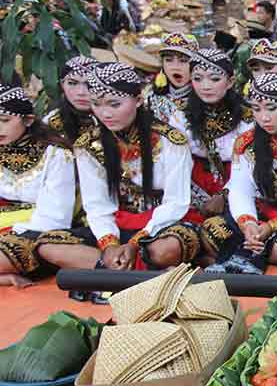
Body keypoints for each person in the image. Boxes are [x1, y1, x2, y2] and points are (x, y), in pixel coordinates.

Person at [75, 62, 200, 270]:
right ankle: (116, 262)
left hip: (163, 226)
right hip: (117, 226)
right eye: (97, 104)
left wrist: (136, 242)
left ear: (139, 100)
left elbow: (176, 203)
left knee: (164, 250)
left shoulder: (171, 140)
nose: (105, 114)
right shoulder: (87, 146)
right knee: (49, 245)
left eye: (114, 104)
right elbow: (97, 206)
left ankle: (112, 268)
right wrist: (109, 245)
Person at [202, 74, 277, 273]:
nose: (264, 117)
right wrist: (248, 224)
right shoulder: (245, 143)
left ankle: (244, 255)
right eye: (257, 109)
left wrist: (271, 227)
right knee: (212, 230)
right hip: (260, 218)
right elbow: (240, 189)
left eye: (272, 108)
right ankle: (251, 249)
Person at [0, 86, 88, 287]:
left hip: (36, 233)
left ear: (28, 120)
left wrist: (8, 231)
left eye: (4, 120)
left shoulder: (56, 155)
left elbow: (54, 218)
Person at [182, 47, 253, 221]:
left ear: (230, 82)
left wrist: (225, 195)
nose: (206, 86)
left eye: (214, 79)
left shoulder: (248, 118)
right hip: (191, 193)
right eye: (197, 79)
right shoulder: (179, 117)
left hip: (238, 189)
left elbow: (249, 167)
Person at [148, 32, 198, 130]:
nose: (175, 67)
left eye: (183, 61)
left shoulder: (205, 98)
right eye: (168, 60)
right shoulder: (151, 98)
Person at [46, 56, 98, 146]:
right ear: (62, 85)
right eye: (72, 83)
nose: (81, 92)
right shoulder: (50, 124)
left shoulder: (116, 121)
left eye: (90, 84)